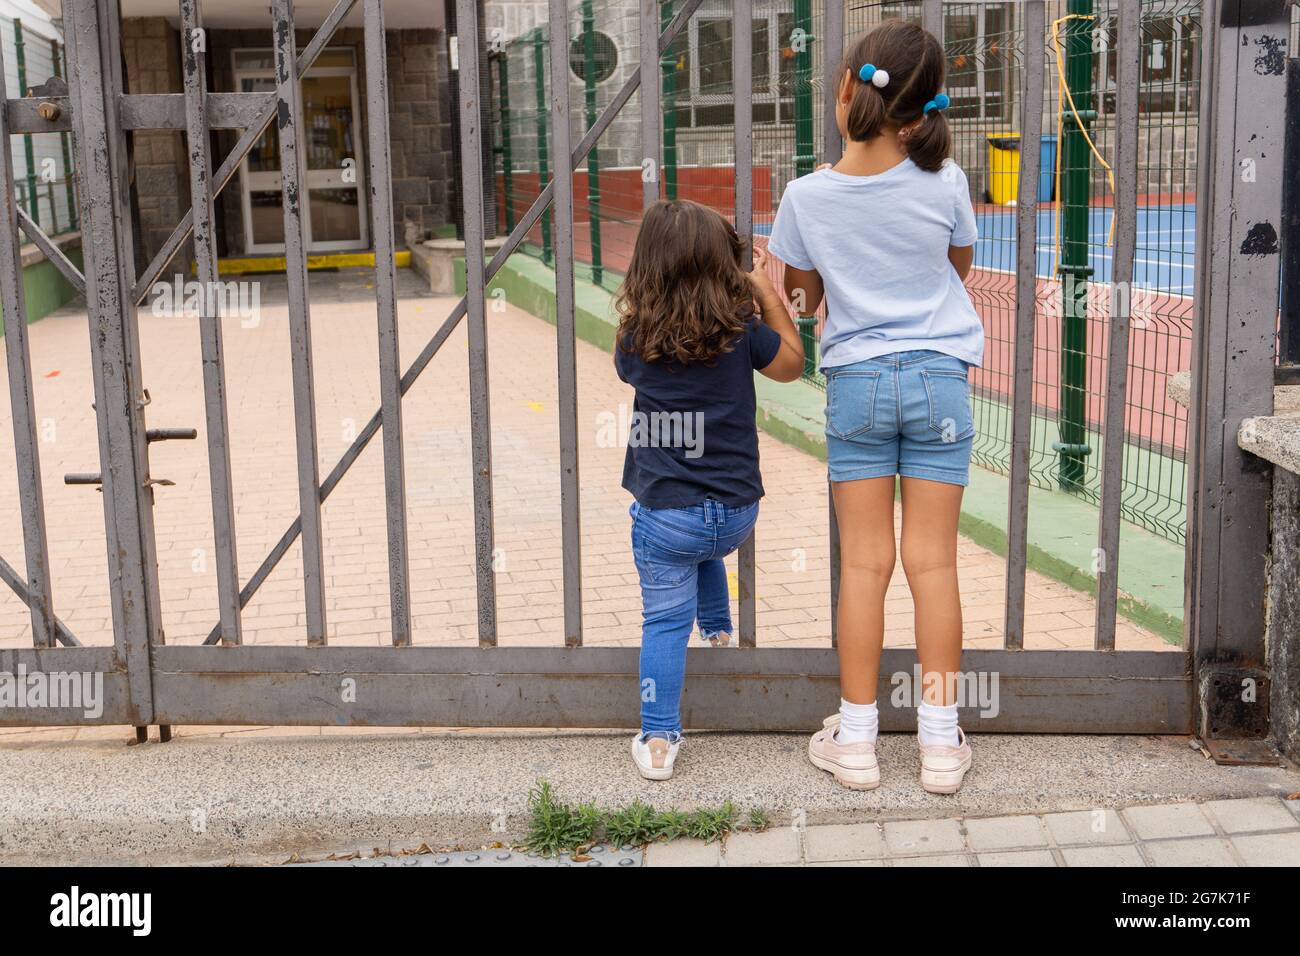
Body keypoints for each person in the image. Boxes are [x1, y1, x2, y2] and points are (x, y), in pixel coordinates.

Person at [767, 20, 981, 794]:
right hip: (939, 382)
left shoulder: (806, 196)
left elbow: (801, 298)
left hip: (857, 383)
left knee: (864, 564)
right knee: (934, 564)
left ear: (846, 93)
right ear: (924, 111)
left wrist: (780, 275)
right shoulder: (947, 181)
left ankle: (855, 741)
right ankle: (940, 745)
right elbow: (953, 268)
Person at [615, 199, 804, 780]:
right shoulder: (740, 331)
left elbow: (626, 373)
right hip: (737, 513)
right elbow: (794, 364)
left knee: (664, 616)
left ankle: (658, 740)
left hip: (669, 516)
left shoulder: (635, 337)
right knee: (702, 536)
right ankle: (719, 629)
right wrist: (765, 290)